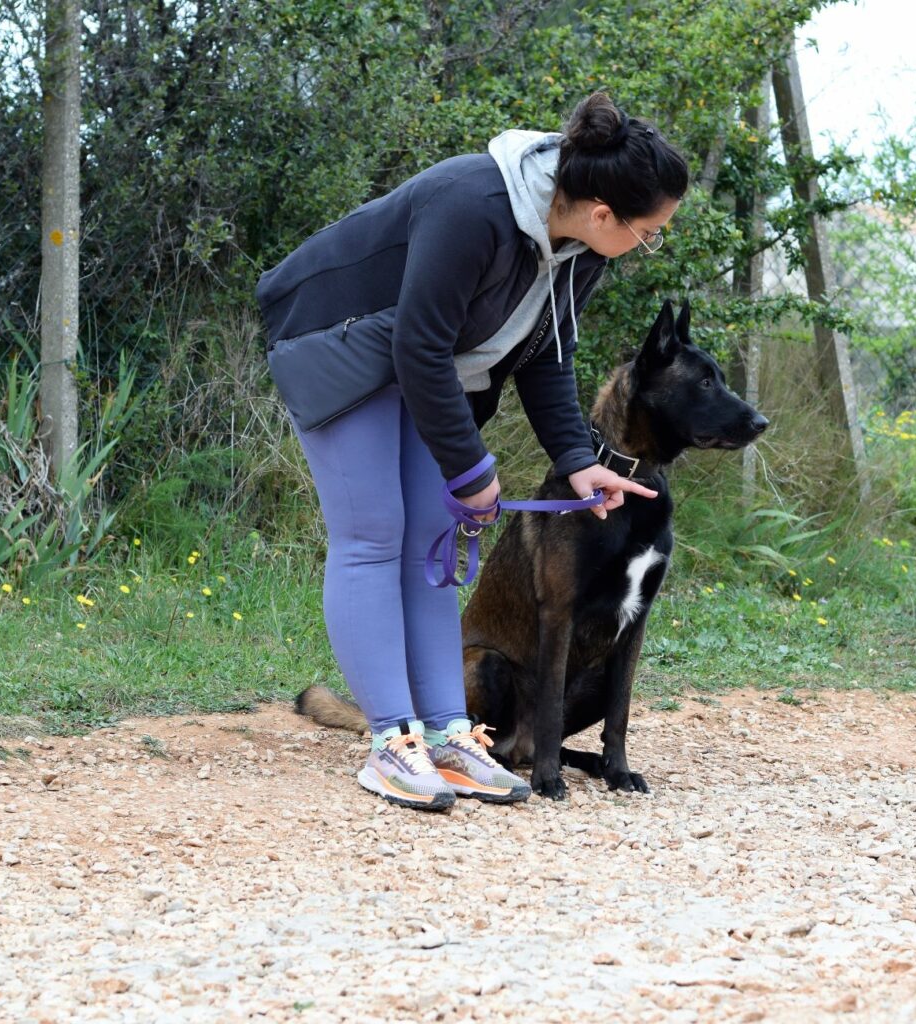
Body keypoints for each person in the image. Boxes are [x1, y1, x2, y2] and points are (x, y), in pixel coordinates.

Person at [257, 92, 689, 811]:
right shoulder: (473, 205)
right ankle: (392, 746)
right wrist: (470, 468)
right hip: (333, 339)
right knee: (372, 535)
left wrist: (580, 457)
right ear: (605, 213)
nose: (649, 246)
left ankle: (453, 736)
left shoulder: (583, 246)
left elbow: (548, 353)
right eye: (651, 233)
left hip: (414, 361)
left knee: (429, 538)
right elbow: (421, 345)